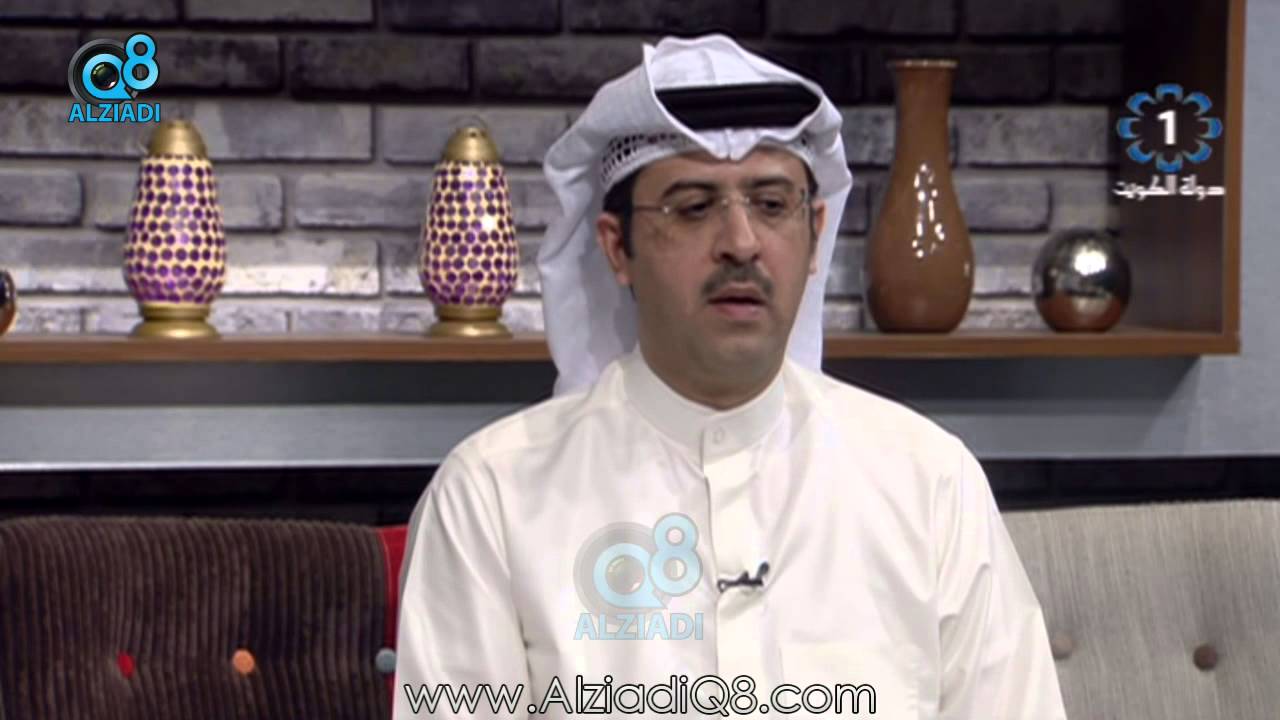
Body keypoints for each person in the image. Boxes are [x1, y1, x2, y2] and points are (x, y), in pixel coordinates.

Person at [393, 34, 1067, 720]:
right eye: (693, 206)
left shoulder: (930, 482)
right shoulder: (492, 496)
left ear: (814, 232)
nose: (741, 243)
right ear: (617, 248)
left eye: (772, 205)